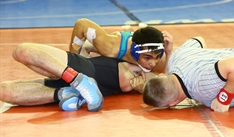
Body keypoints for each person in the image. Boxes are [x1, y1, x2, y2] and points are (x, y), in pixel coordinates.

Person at [2, 43, 158, 111]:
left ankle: (77, 81)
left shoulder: (144, 67)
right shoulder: (125, 51)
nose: (152, 62)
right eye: (150, 57)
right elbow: (87, 39)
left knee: (21, 51)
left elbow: (160, 84)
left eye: (157, 57)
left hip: (83, 71)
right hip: (81, 83)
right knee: (3, 92)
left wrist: (142, 88)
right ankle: (68, 92)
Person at [142, 37, 234, 112]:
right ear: (161, 75)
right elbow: (198, 40)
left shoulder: (200, 89)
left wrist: (224, 99)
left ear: (172, 104)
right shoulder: (176, 57)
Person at [69, 18, 172, 73]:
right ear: (135, 52)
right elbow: (82, 24)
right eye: (147, 57)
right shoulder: (111, 47)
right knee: (84, 50)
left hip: (131, 47)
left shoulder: (159, 59)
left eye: (157, 57)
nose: (153, 63)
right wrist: (71, 64)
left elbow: (169, 81)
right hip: (119, 45)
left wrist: (168, 53)